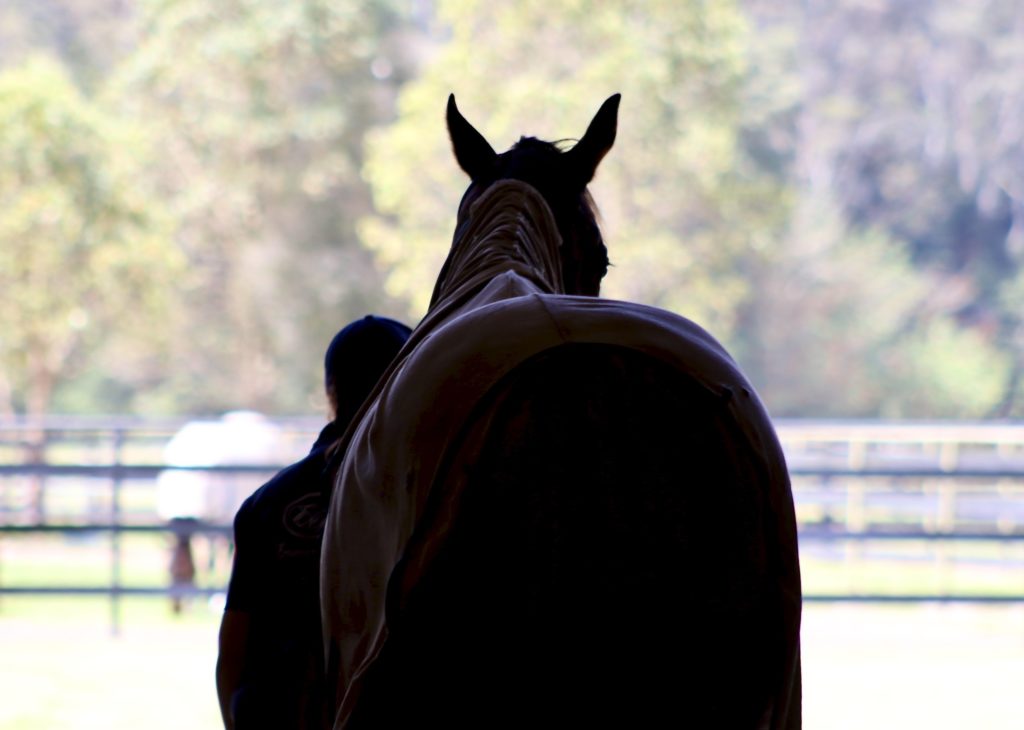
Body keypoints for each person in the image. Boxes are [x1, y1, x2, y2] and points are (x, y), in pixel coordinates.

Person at [216, 316, 412, 730]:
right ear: (408, 385)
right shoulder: (423, 495)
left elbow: (233, 651)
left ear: (330, 392)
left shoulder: (267, 504)